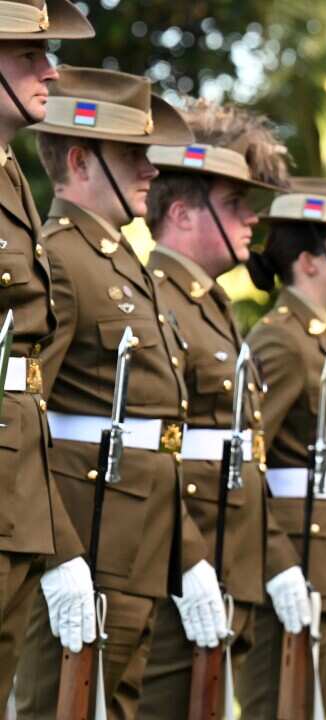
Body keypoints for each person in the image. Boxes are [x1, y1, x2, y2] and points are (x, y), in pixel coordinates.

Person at [17, 66, 218, 720]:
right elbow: (23, 421)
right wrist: (60, 553)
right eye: (133, 155)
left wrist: (188, 557)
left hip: (135, 546)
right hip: (89, 540)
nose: (151, 171)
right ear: (80, 159)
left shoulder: (126, 264)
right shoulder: (61, 258)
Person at [135, 100, 311, 717]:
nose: (251, 223)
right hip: (171, 573)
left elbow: (246, 458)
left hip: (224, 570)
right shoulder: (155, 301)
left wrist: (277, 562)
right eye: (236, 206)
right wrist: (191, 563)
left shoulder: (214, 310)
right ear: (182, 212)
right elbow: (152, 458)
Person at [239, 177, 326, 717]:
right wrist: (277, 564)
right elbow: (249, 461)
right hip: (294, 555)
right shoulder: (281, 339)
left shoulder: (325, 338)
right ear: (309, 260)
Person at [0, 0, 95, 701]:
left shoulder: (12, 182)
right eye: (30, 56)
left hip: (17, 488)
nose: (50, 71)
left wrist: (58, 537)